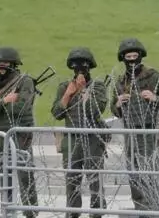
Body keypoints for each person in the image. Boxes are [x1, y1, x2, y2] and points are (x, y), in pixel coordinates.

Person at [112, 39, 159, 216]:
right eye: (128, 57)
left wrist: (156, 98)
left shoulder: (153, 76)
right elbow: (115, 109)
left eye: (135, 56)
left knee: (148, 173)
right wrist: (117, 104)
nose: (132, 60)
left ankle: (152, 209)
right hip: (130, 132)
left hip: (149, 131)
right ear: (123, 58)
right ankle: (141, 210)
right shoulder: (120, 81)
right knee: (133, 174)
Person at [52, 47, 109, 217]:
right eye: (76, 67)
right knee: (72, 181)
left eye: (83, 67)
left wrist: (84, 91)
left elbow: (97, 110)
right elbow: (57, 113)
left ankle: (97, 212)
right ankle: (73, 213)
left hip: (92, 138)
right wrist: (68, 94)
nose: (80, 71)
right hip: (72, 139)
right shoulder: (64, 87)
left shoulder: (97, 86)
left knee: (95, 180)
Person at [0, 47, 39, 217]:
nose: (2, 66)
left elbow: (23, 107)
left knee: (25, 175)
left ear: (14, 64)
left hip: (20, 134)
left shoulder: (25, 81)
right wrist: (5, 101)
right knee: (4, 174)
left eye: (6, 63)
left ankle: (31, 212)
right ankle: (8, 211)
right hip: (1, 136)